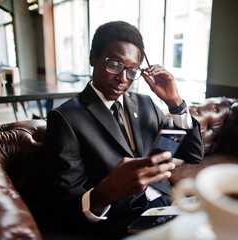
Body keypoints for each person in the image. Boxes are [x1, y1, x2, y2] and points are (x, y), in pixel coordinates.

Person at [43, 21, 204, 239]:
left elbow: (193, 154)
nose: (122, 78)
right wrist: (106, 191)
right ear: (93, 58)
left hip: (165, 207)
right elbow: (68, 206)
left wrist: (175, 103)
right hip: (119, 223)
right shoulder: (65, 118)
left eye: (132, 70)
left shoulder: (146, 103)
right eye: (114, 65)